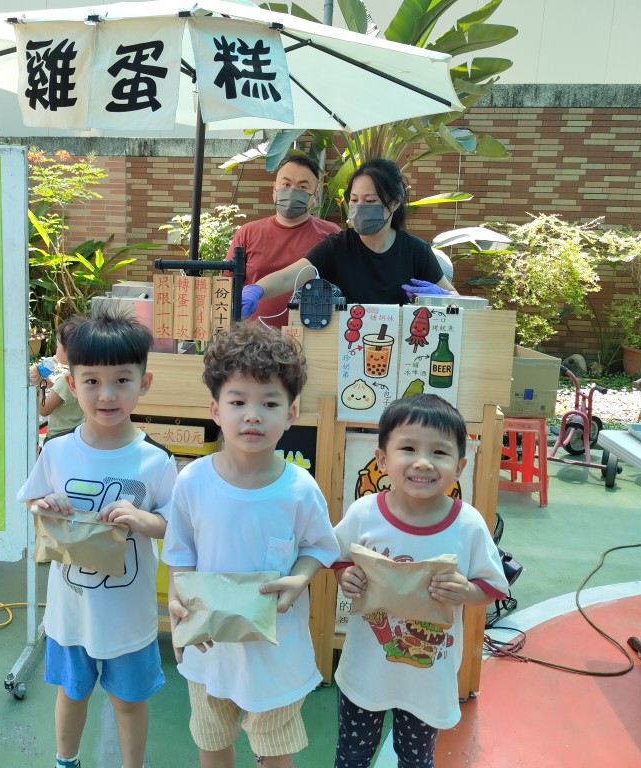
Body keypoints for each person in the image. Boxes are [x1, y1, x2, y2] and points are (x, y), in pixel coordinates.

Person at [162, 322, 339, 768]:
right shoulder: (192, 481)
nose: (252, 415)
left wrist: (300, 578)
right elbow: (180, 554)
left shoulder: (299, 488)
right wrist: (177, 605)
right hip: (211, 648)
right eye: (237, 401)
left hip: (275, 652)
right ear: (215, 410)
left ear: (292, 413)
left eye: (269, 403)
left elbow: (320, 546)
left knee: (274, 748)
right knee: (212, 739)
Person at [17, 310, 177, 768]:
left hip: (128, 616)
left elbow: (176, 527)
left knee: (129, 702)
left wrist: (142, 519)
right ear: (72, 383)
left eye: (122, 380)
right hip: (70, 613)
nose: (107, 395)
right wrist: (45, 504)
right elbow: (31, 501)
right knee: (72, 693)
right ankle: (65, 761)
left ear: (144, 383)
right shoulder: (57, 450)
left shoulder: (156, 461)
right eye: (91, 382)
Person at [331, 394, 508, 768]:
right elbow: (337, 558)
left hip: (428, 679)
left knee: (416, 759)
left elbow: (492, 587)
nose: (423, 462)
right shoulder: (364, 514)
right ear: (382, 459)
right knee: (352, 756)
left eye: (439, 453)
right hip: (366, 670)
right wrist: (346, 577)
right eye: (408, 448)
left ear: (459, 466)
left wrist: (467, 591)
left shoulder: (468, 525)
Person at [240, 158, 457, 318]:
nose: (360, 207)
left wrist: (443, 299)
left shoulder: (416, 251)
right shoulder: (336, 247)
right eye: (354, 200)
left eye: (370, 201)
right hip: (344, 351)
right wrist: (257, 290)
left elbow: (456, 299)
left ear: (394, 203)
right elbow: (289, 277)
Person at [228, 153, 339, 326]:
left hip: (313, 335)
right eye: (286, 184)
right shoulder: (247, 233)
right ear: (274, 190)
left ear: (315, 195)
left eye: (302, 187)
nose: (292, 191)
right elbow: (227, 286)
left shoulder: (331, 235)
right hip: (254, 337)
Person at [30, 315, 88, 437]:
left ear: (69, 351)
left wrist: (40, 385)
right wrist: (47, 382)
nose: (56, 351)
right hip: (76, 434)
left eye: (58, 347)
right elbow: (64, 396)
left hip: (58, 436)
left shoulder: (66, 380)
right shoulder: (85, 376)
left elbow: (44, 409)